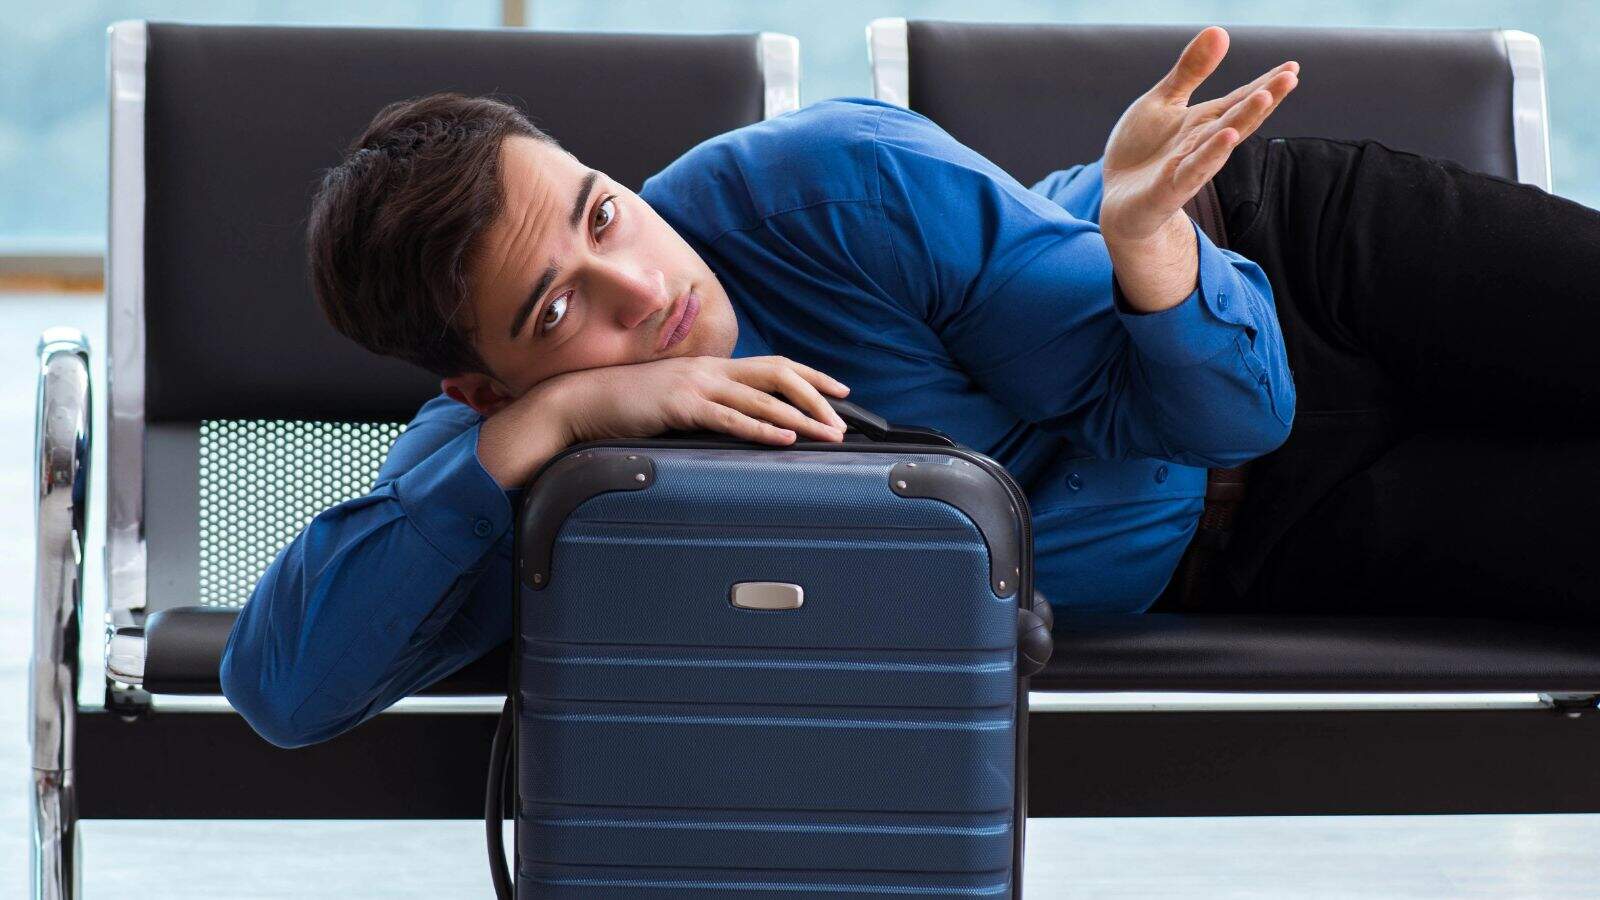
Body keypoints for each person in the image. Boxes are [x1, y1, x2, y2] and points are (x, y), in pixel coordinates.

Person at [219, 25, 1591, 749]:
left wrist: (1149, 250)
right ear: (481, 382)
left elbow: (1231, 409)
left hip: (1277, 272)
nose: (641, 286)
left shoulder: (827, 188)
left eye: (602, 213)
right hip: (1261, 544)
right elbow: (283, 687)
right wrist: (565, 424)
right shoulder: (509, 443)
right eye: (558, 310)